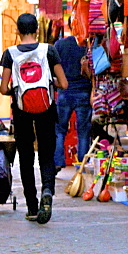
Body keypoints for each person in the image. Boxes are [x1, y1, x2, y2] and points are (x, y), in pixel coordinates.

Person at [0, 14, 67, 224]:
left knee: (26, 158)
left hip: (21, 112)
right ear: (37, 29)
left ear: (18, 31)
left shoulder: (10, 54)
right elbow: (63, 84)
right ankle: (47, 190)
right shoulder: (49, 50)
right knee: (46, 154)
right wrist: (50, 83)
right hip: (46, 109)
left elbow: (3, 88)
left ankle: (32, 206)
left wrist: (15, 90)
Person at [52, 32, 92, 170]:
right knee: (83, 132)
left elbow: (52, 67)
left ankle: (58, 161)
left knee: (59, 129)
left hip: (65, 92)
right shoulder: (87, 45)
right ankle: (82, 164)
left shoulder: (60, 45)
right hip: (84, 92)